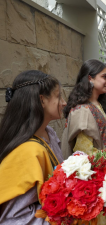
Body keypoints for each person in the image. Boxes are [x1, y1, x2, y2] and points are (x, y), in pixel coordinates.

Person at [61, 59, 106, 224]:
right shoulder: (83, 111)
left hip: (105, 167)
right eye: (104, 77)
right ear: (90, 78)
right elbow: (85, 155)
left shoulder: (97, 104)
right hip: (94, 176)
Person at [0, 70, 66, 224]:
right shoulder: (26, 152)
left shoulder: (49, 133)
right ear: (42, 100)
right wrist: (65, 215)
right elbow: (12, 219)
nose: (64, 102)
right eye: (58, 96)